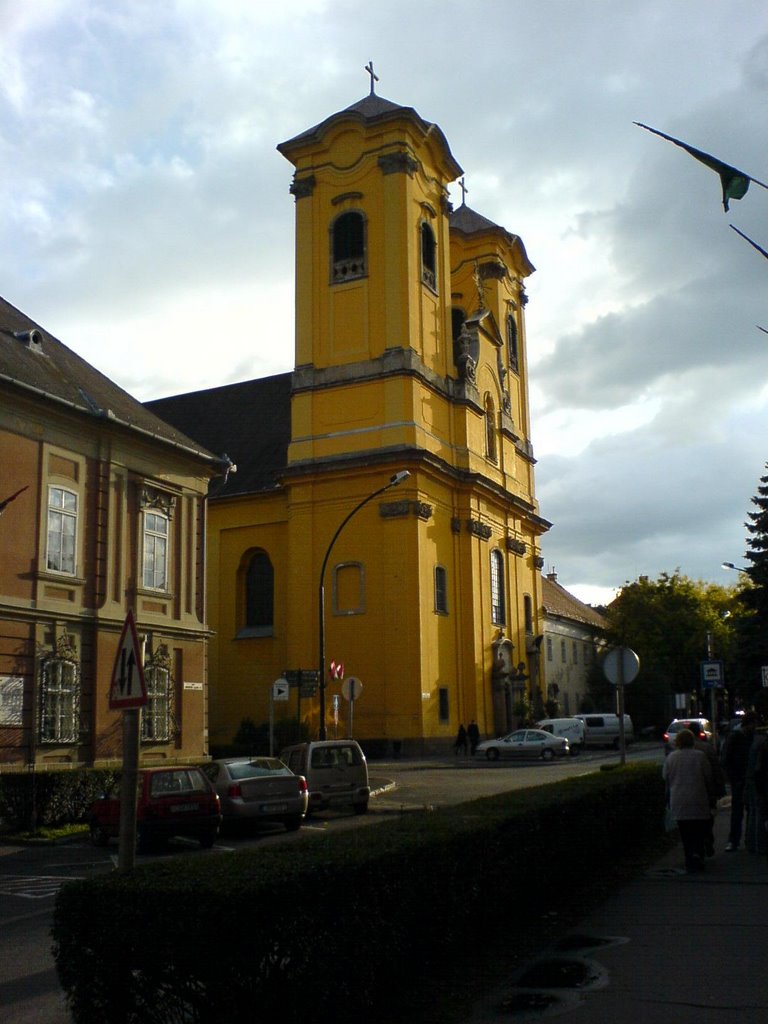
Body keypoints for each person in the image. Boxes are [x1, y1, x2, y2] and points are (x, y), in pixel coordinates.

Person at [663, 728, 714, 873]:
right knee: (698, 831)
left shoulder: (671, 758)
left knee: (685, 834)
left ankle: (689, 860)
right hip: (698, 798)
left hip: (679, 800)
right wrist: (711, 795)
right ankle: (698, 855)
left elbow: (665, 778)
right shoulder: (700, 756)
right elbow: (708, 777)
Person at [721, 711, 758, 851]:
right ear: (750, 724)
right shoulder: (742, 737)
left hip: (740, 778)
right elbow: (726, 759)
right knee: (746, 810)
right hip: (743, 778)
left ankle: (735, 840)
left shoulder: (737, 736)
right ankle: (745, 840)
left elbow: (725, 759)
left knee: (739, 811)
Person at [689, 721, 726, 856]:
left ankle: (697, 846)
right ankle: (707, 839)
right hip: (705, 790)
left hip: (690, 790)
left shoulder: (681, 751)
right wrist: (719, 789)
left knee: (692, 821)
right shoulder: (707, 748)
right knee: (707, 817)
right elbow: (716, 769)